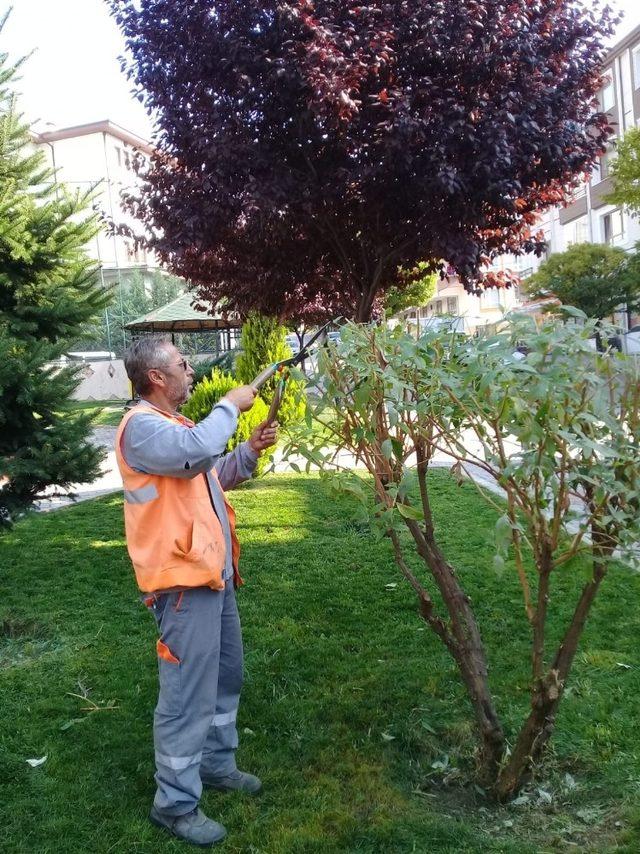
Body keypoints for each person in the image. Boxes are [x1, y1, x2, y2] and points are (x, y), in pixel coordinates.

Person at [115, 336, 277, 847]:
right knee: (186, 696)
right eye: (182, 364)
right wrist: (229, 406)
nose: (190, 370)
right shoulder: (141, 428)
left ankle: (214, 764)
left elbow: (210, 475)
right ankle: (176, 804)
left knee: (226, 676)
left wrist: (248, 451)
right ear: (156, 378)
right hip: (182, 585)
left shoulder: (175, 429)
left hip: (213, 576)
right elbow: (195, 455)